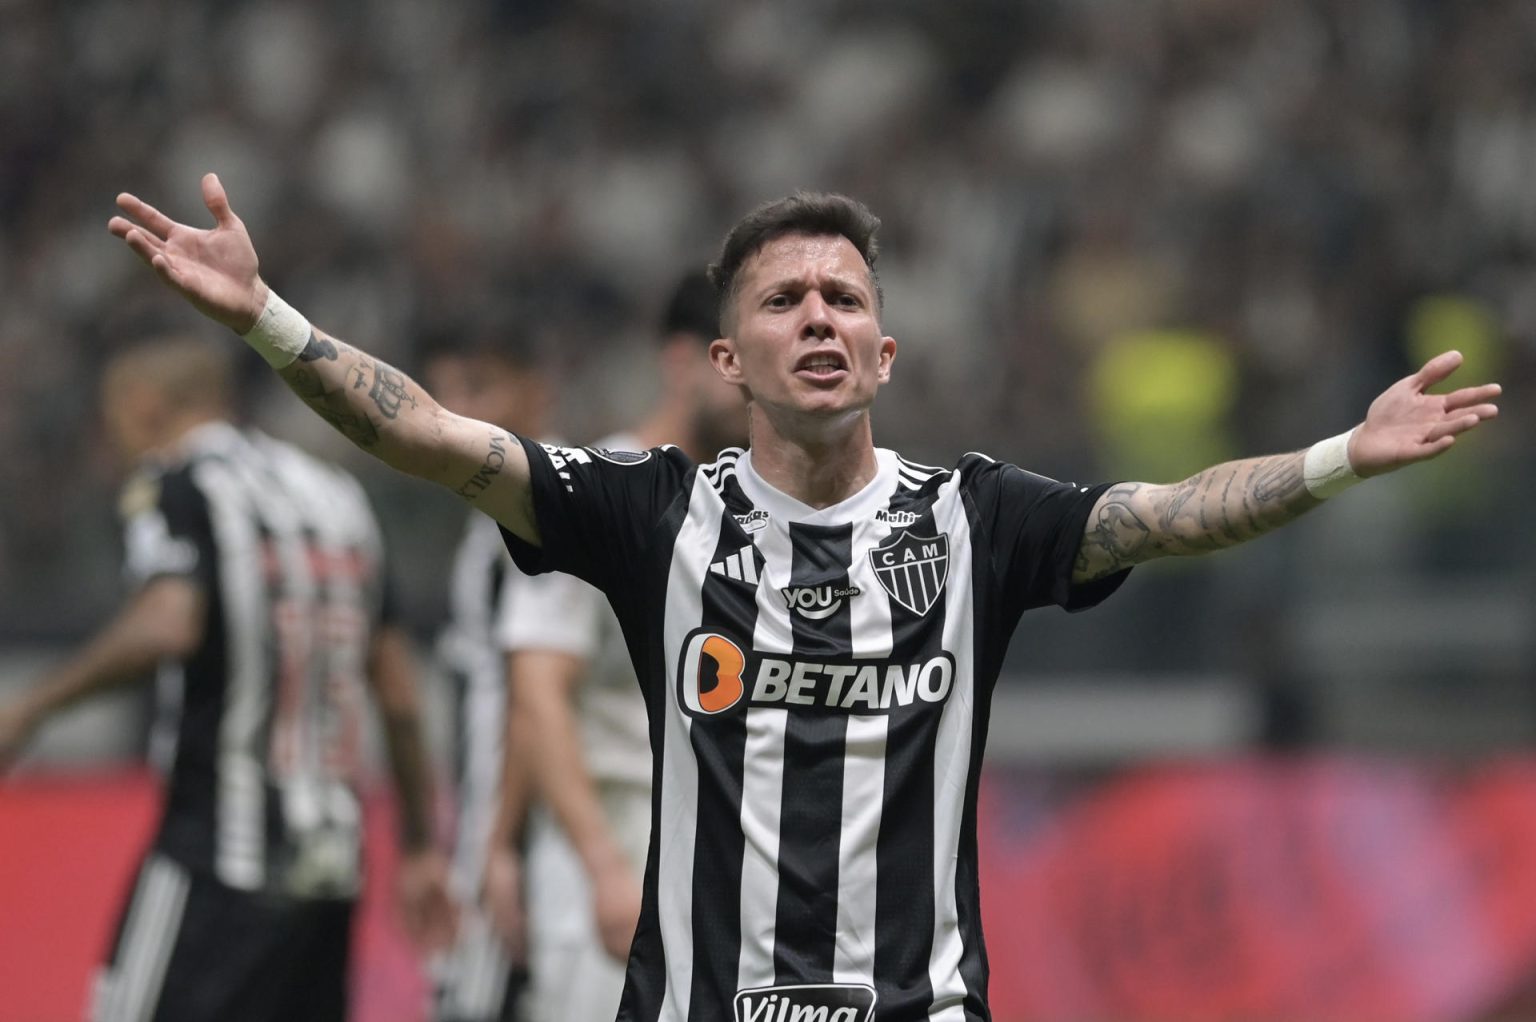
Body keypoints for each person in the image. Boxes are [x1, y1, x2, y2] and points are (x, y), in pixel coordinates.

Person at [108, 176, 1500, 1022]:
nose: (820, 316)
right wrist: (265, 318)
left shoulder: (976, 516)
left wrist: (1337, 456)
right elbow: (426, 431)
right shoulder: (653, 512)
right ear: (731, 354)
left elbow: (1175, 514)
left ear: (885, 352)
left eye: (844, 297)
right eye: (785, 300)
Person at [0, 333, 457, 1022]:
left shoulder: (176, 481)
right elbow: (398, 696)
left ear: (142, 404)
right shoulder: (339, 497)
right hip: (328, 869)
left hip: (216, 858)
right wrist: (420, 846)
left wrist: (34, 705)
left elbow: (168, 620)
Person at [486, 271, 748, 1022]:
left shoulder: (750, 506)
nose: (757, 397)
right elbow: (536, 690)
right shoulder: (598, 489)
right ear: (683, 361)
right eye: (737, 372)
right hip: (611, 849)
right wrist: (599, 864)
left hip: (716, 861)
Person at [420, 326, 579, 1022]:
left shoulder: (538, 525)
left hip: (528, 851)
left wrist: (499, 847)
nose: (453, 409)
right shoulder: (485, 532)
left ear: (535, 392)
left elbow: (534, 697)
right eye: (442, 390)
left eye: (477, 386)